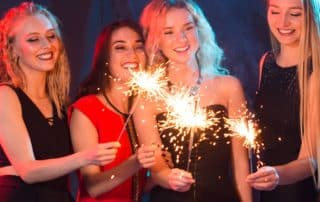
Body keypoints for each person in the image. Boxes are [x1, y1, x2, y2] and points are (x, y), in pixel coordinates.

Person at [0, 2, 121, 202]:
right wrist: (86, 156)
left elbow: (92, 183)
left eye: (50, 36)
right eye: (33, 39)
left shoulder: (61, 105)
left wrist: (136, 161)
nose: (46, 45)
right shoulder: (6, 95)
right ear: (12, 50)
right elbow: (27, 171)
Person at [134, 0, 252, 201]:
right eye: (168, 32)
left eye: (188, 28)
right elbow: (157, 169)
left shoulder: (229, 87)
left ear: (200, 30)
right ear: (156, 40)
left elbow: (241, 163)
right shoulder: (147, 98)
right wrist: (169, 177)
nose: (181, 39)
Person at [68, 20, 157, 202]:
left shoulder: (144, 110)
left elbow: (135, 187)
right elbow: (93, 187)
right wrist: (135, 162)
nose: (132, 54)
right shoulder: (87, 109)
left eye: (138, 47)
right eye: (120, 47)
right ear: (105, 57)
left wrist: (160, 173)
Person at [246, 0, 320, 201]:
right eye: (275, 12)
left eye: (294, 14)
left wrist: (278, 175)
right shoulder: (267, 61)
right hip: (267, 189)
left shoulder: (316, 72)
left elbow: (311, 160)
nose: (283, 22)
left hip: (297, 192)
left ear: (311, 16)